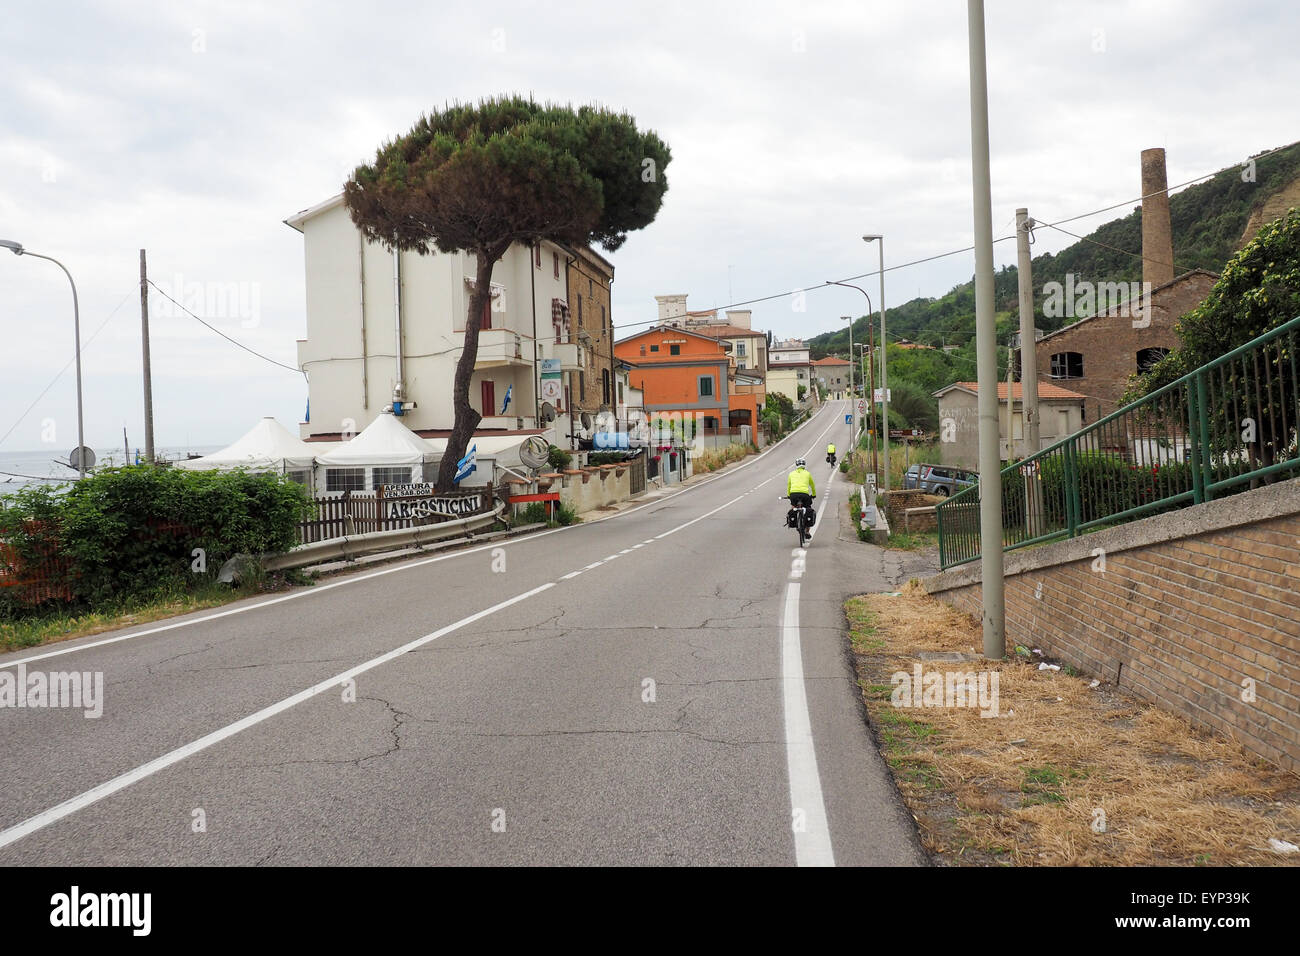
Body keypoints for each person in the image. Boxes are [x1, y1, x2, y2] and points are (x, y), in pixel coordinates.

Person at [786, 458, 816, 527]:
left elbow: (789, 486)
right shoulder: (808, 473)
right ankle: (807, 531)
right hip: (805, 494)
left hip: (793, 494)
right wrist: (814, 494)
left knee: (793, 507)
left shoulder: (791, 474)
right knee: (808, 508)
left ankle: (793, 521)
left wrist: (788, 495)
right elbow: (812, 485)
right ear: (804, 465)